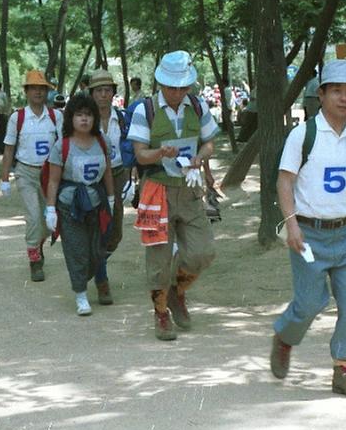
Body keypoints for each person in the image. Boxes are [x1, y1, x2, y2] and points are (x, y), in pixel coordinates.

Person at [270, 58, 346, 399]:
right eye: (337, 91)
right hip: (310, 234)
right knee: (311, 302)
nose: (344, 98)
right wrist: (292, 224)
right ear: (322, 94)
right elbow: (285, 182)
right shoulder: (303, 135)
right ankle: (285, 336)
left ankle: (344, 370)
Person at [129, 50, 219, 341]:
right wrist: (159, 152)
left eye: (182, 87)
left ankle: (178, 291)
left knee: (202, 251)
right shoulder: (145, 110)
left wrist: (200, 158)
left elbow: (209, 144)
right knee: (159, 257)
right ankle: (161, 312)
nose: (178, 92)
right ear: (161, 84)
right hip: (157, 190)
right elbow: (140, 156)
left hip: (190, 188)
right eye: (172, 87)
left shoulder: (198, 105)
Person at [44, 94, 115, 316]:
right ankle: (81, 295)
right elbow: (54, 180)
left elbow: (108, 173)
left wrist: (111, 199)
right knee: (77, 250)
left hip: (96, 204)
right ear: (71, 118)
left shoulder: (103, 142)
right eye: (79, 115)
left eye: (88, 115)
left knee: (97, 251)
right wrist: (50, 209)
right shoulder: (61, 146)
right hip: (69, 207)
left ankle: (88, 278)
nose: (84, 119)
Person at [0, 70, 64, 281]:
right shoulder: (17, 118)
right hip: (25, 173)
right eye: (33, 88)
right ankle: (34, 259)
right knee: (33, 217)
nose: (38, 92)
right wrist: (4, 180)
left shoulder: (56, 117)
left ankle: (38, 245)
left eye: (42, 88)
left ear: (47, 92)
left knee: (49, 221)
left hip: (50, 175)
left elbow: (65, 147)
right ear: (26, 91)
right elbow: (9, 149)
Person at [88, 69, 133, 305]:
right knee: (98, 230)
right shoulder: (85, 119)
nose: (104, 95)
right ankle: (101, 281)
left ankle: (95, 263)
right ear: (92, 93)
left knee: (115, 233)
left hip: (117, 175)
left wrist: (131, 176)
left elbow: (133, 148)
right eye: (99, 90)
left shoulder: (123, 118)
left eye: (108, 90)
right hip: (93, 177)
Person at [0, 81, 11, 155]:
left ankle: (0, 149)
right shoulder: (0, 94)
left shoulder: (0, 95)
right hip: (1, 115)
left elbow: (1, 104)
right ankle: (0, 148)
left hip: (1, 115)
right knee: (0, 131)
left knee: (0, 132)